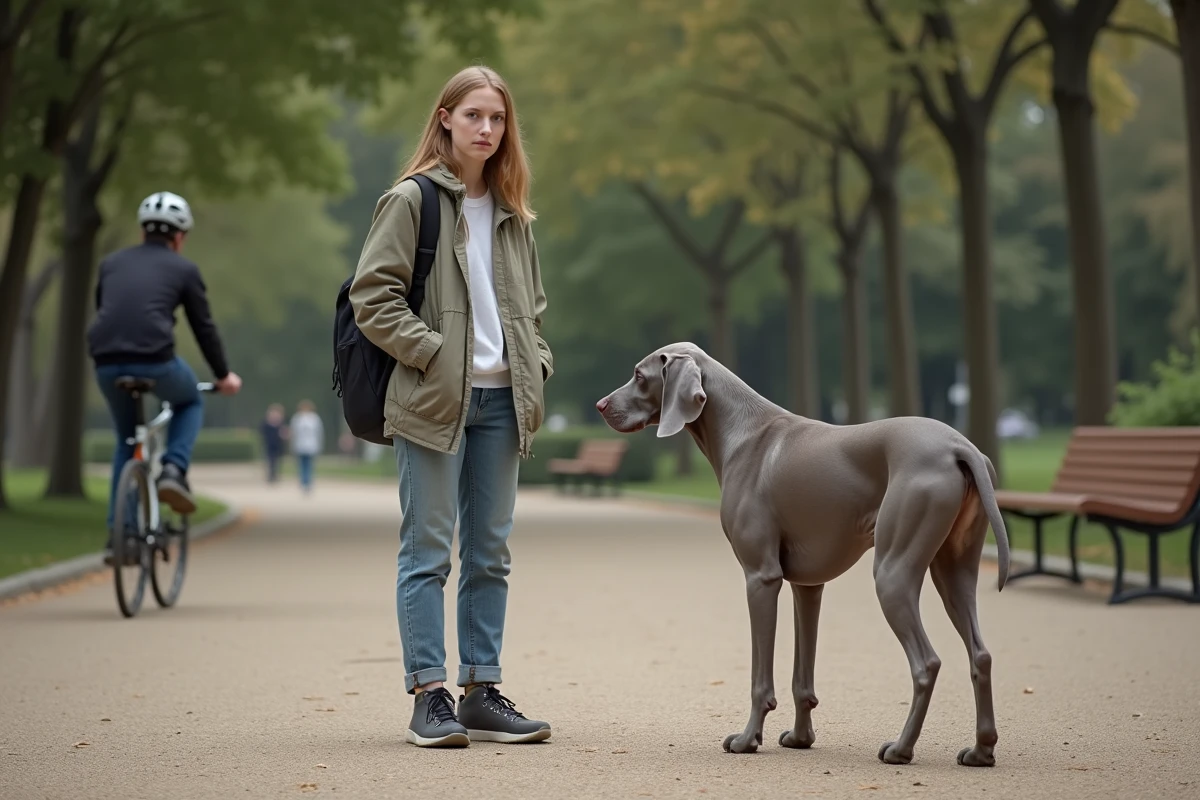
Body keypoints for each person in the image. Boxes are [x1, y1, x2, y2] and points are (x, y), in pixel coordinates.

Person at [349, 65, 554, 748]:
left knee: (490, 552)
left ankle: (482, 690)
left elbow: (532, 310)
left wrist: (536, 364)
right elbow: (371, 296)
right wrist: (434, 353)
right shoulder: (411, 201)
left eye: (497, 118)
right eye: (474, 116)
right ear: (444, 119)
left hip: (502, 404)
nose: (487, 130)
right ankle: (429, 694)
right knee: (428, 552)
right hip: (435, 400)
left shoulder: (513, 213)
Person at [87, 191, 242, 561]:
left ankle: (120, 538)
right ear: (179, 237)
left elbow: (106, 311)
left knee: (127, 441)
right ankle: (173, 469)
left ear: (143, 232)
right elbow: (204, 327)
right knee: (189, 400)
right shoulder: (183, 269)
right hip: (155, 360)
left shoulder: (111, 264)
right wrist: (223, 375)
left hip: (106, 362)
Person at [289, 400, 324, 494]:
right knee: (304, 465)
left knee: (307, 465)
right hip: (304, 445)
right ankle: (305, 482)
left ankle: (306, 482)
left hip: (308, 445)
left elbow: (318, 433)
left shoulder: (298, 418)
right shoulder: (313, 418)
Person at [260, 403, 288, 484]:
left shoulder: (281, 423)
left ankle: (275, 475)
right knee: (270, 460)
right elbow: (262, 432)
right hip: (269, 444)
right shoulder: (266, 423)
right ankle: (271, 475)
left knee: (277, 461)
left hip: (278, 445)